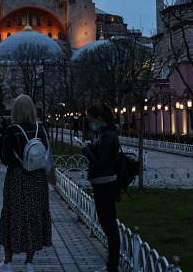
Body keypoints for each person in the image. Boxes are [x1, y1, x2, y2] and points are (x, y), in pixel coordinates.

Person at [0, 95, 51, 272]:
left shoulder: (12, 130)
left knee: (12, 216)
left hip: (17, 179)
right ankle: (29, 263)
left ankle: (8, 262)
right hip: (37, 179)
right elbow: (46, 154)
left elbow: (6, 157)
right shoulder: (40, 128)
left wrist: (20, 162)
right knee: (34, 217)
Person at [78, 103, 121, 272]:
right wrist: (91, 146)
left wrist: (85, 150)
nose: (90, 123)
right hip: (102, 183)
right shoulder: (103, 134)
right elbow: (102, 154)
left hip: (105, 184)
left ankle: (112, 266)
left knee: (109, 226)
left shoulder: (107, 135)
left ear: (98, 119)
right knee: (107, 225)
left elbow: (101, 162)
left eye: (90, 120)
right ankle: (111, 264)